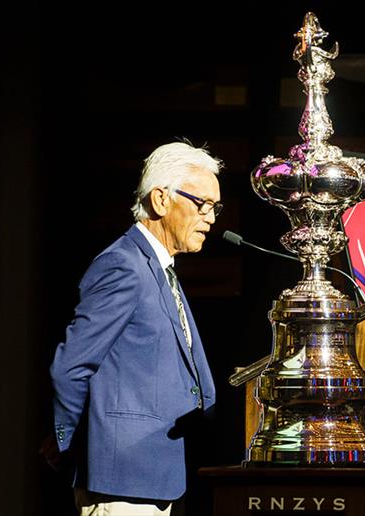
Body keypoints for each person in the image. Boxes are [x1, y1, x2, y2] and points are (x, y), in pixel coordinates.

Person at [42, 140, 223, 515]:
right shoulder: (123, 265)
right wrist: (68, 444)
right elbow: (71, 366)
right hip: (121, 479)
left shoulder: (159, 268)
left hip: (158, 474)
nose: (211, 217)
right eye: (202, 204)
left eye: (215, 207)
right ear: (160, 200)